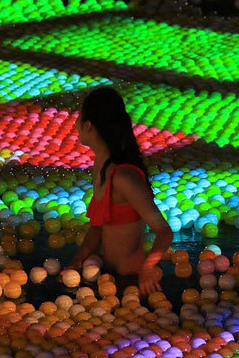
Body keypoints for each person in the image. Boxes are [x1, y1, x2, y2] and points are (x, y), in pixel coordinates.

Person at [67, 87, 172, 295]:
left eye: (79, 118)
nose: (76, 124)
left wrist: (148, 267)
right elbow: (98, 226)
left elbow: (164, 231)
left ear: (88, 126)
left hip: (133, 282)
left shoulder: (124, 178)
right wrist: (78, 259)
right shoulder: (101, 166)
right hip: (106, 274)